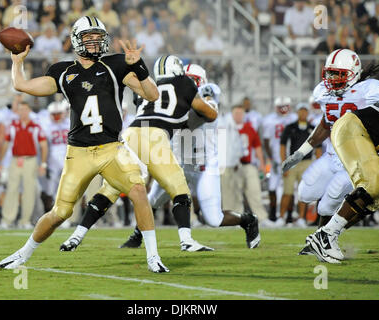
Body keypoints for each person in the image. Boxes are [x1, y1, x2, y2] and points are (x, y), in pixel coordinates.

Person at [0, 16, 169, 273]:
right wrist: (17, 62)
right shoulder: (63, 71)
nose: (96, 42)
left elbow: (152, 95)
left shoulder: (116, 65)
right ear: (77, 40)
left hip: (112, 148)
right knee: (60, 213)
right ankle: (23, 253)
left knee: (138, 190)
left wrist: (140, 66)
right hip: (78, 152)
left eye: (99, 37)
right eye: (89, 37)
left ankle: (153, 256)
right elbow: (21, 85)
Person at [60, 63, 260, 251]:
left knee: (212, 219)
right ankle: (139, 235)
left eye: (191, 79)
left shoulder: (205, 98)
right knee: (151, 200)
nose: (185, 82)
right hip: (174, 159)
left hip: (202, 165)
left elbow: (197, 115)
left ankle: (248, 220)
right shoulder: (173, 97)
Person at [281, 49, 379, 257]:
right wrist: (301, 152)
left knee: (328, 202)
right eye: (330, 73)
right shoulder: (324, 92)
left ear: (353, 72)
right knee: (305, 192)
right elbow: (325, 122)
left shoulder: (370, 91)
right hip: (331, 156)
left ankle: (323, 239)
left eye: (338, 73)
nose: (332, 79)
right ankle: (322, 239)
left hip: (357, 158)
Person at [305, 89, 379, 263]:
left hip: (362, 135)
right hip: (353, 128)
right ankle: (326, 236)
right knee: (371, 184)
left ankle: (327, 235)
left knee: (378, 196)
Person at [0, 101, 48, 229]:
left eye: (25, 109)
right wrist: (1, 162)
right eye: (21, 109)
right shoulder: (13, 125)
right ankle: (7, 219)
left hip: (30, 160)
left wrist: (43, 164)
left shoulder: (35, 126)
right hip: (15, 160)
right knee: (11, 189)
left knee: (29, 191)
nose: (23, 112)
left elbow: (44, 146)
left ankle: (25, 220)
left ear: (29, 111)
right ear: (18, 111)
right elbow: (5, 144)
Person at [278, 103, 321, 227]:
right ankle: (282, 217)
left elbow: (318, 148)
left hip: (307, 162)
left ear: (308, 113)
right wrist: (284, 163)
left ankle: (302, 218)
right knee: (287, 191)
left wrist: (317, 166)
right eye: (301, 111)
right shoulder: (290, 127)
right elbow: (282, 146)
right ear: (297, 113)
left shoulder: (313, 128)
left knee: (303, 192)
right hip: (292, 161)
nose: (303, 113)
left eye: (305, 111)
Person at [263, 96, 298, 221]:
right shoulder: (269, 120)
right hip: (276, 159)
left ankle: (289, 214)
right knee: (272, 187)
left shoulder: (294, 119)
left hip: (291, 158)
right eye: (280, 107)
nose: (283, 109)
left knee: (290, 188)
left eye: (285, 107)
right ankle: (273, 213)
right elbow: (266, 141)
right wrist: (271, 157)